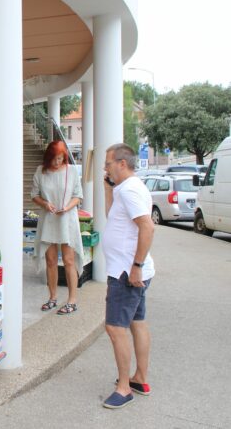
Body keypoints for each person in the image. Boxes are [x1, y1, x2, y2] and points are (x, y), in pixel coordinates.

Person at [101, 143, 155, 410]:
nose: (105, 167)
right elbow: (112, 217)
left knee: (115, 327)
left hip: (126, 272)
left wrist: (136, 265)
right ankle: (140, 378)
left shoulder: (131, 189)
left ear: (122, 163)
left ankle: (124, 388)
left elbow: (147, 226)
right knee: (137, 322)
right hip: (129, 269)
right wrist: (107, 186)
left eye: (108, 163)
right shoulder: (124, 188)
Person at [31, 140, 83, 315]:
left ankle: (72, 300)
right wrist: (45, 204)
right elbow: (34, 195)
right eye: (54, 159)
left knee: (69, 260)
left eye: (60, 158)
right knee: (51, 260)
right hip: (48, 218)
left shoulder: (72, 171)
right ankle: (52, 297)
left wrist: (67, 207)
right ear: (48, 158)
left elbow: (78, 196)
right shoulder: (41, 171)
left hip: (66, 219)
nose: (57, 162)